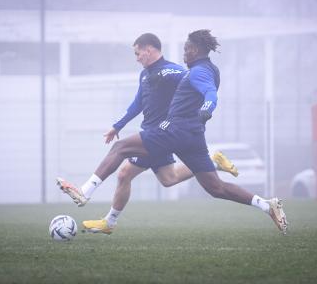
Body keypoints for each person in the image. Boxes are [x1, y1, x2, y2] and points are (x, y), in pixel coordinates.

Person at [58, 30, 288, 234]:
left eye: (187, 49)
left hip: (171, 130)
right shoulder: (197, 70)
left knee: (121, 149)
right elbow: (139, 103)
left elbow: (210, 92)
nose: (184, 53)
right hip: (191, 135)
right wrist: (117, 125)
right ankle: (267, 205)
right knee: (213, 188)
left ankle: (85, 193)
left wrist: (208, 107)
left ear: (196, 50)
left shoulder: (185, 72)